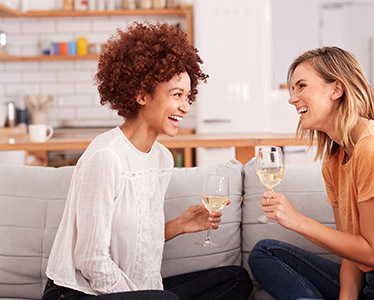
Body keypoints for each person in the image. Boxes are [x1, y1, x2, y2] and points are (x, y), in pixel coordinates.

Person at [42, 22, 252, 300]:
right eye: (177, 95)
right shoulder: (107, 157)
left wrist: (179, 225)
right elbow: (90, 260)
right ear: (141, 94)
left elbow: (139, 240)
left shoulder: (162, 158)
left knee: (235, 280)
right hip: (79, 293)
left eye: (188, 96)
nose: (186, 107)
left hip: (139, 290)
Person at [248, 46, 374, 300]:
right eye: (293, 89)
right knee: (265, 252)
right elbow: (352, 250)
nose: (292, 98)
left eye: (301, 86)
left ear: (336, 89)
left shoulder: (373, 148)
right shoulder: (334, 161)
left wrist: (298, 221)